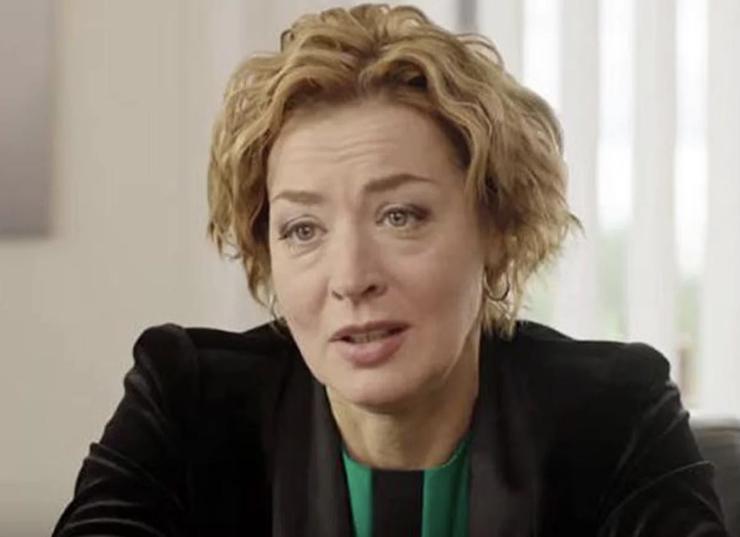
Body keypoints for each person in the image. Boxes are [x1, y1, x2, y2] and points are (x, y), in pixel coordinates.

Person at [53, 4, 729, 536]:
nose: (351, 277)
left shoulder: (614, 414)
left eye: (400, 216)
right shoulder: (186, 403)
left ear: (496, 228)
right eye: (303, 229)